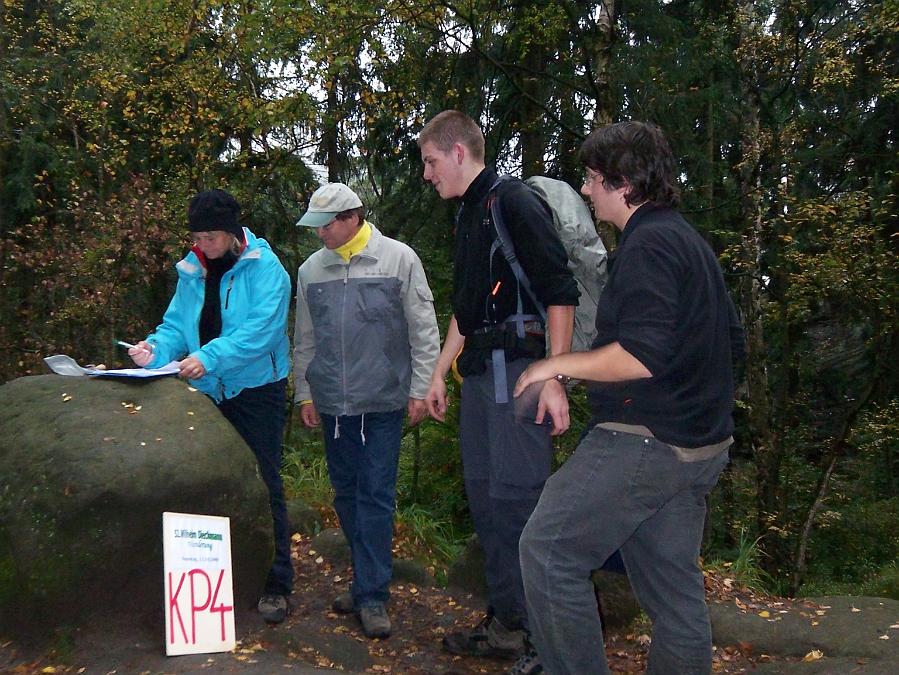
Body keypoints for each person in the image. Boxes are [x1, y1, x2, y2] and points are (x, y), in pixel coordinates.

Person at [512, 121, 746, 675]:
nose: (587, 191)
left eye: (593, 179)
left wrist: (554, 365)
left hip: (646, 443)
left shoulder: (651, 244)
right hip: (699, 448)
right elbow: (730, 340)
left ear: (623, 181)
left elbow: (641, 355)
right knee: (674, 597)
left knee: (547, 552)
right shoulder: (687, 241)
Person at [418, 111, 579, 662]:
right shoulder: (469, 213)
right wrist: (440, 371)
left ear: (459, 152)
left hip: (521, 376)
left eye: (431, 161)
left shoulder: (513, 203)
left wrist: (555, 375)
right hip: (482, 378)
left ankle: (543, 639)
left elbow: (561, 291)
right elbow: (467, 310)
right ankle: (508, 622)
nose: (426, 174)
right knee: (488, 503)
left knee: (520, 507)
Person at [129, 188, 294, 623]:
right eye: (197, 236)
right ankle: (209, 579)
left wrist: (208, 357)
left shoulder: (267, 270)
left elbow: (260, 334)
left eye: (210, 237)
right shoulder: (191, 270)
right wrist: (154, 350)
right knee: (203, 480)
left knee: (264, 481)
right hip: (206, 392)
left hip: (257, 389)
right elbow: (174, 327)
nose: (202, 244)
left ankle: (277, 582)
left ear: (232, 231)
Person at [293, 182, 439, 639]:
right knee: (347, 495)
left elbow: (423, 328)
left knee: (375, 494)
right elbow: (305, 338)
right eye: (315, 226)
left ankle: (373, 595)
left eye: (326, 225)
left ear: (353, 217)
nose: (320, 235)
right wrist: (304, 393)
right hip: (334, 405)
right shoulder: (310, 271)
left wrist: (420, 389)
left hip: (383, 401)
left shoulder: (398, 259)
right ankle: (363, 584)